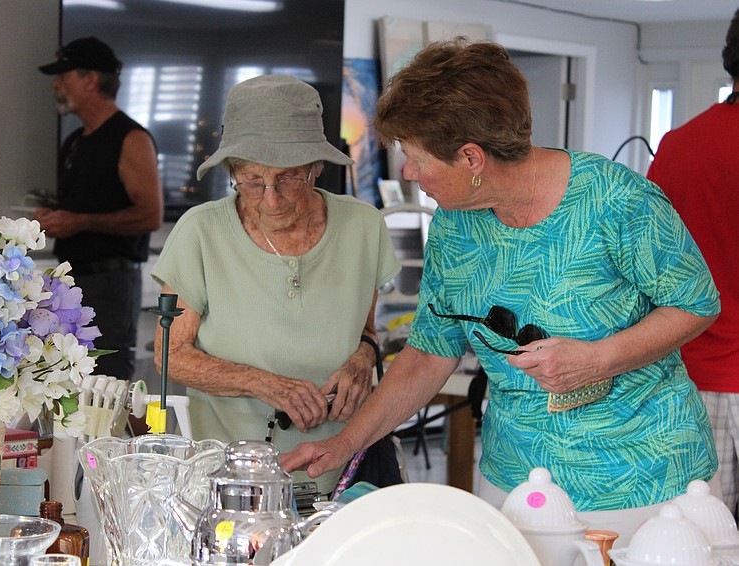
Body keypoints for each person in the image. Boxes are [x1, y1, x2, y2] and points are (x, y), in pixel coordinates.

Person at [282, 38, 721, 543]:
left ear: (471, 157)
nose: (407, 172)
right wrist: (345, 443)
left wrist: (597, 359)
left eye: (415, 157)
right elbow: (429, 353)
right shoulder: (454, 224)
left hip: (643, 482)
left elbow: (696, 303)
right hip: (513, 479)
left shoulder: (616, 200)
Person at [150, 75, 401, 495]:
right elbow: (170, 355)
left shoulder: (364, 227)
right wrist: (266, 384)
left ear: (316, 168)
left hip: (345, 467)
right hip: (232, 480)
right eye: (252, 180)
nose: (271, 198)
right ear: (233, 172)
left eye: (288, 178)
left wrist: (361, 362)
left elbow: (367, 332)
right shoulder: (201, 232)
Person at [646, 9, 739, 519]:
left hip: (688, 380)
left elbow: (642, 271)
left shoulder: (678, 145)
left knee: (699, 537)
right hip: (696, 369)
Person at [34, 36, 163, 381]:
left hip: (110, 283)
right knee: (65, 377)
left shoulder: (131, 138)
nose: (56, 84)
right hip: (71, 279)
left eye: (64, 75)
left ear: (91, 79)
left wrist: (79, 222)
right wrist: (54, 216)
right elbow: (86, 202)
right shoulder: (75, 142)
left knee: (105, 382)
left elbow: (150, 215)